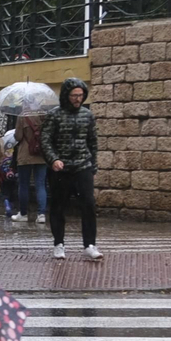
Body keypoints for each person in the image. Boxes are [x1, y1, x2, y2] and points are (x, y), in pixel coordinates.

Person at [44, 77, 101, 260]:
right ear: (66, 95)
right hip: (61, 168)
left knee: (89, 205)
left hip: (83, 165)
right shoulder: (54, 115)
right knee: (58, 206)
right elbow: (45, 140)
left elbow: (93, 142)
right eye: (74, 95)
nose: (78, 99)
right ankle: (59, 243)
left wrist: (93, 166)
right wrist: (54, 159)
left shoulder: (87, 115)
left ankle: (90, 244)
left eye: (81, 95)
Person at [12, 112, 49, 224]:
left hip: (25, 155)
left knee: (23, 185)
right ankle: (41, 214)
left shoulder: (22, 116)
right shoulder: (44, 116)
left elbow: (18, 136)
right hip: (41, 155)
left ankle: (23, 214)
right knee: (40, 184)